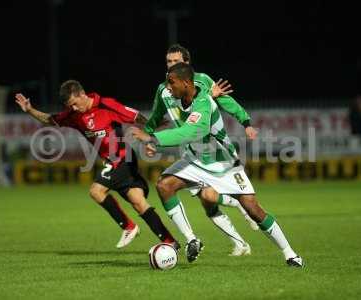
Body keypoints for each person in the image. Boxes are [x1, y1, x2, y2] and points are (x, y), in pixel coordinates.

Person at [131, 63, 303, 267]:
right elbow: (162, 114)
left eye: (172, 82)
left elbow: (189, 132)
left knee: (253, 209)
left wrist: (153, 138)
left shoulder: (204, 103)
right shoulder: (178, 98)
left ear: (186, 83)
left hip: (223, 164)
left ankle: (290, 254)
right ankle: (191, 239)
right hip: (194, 160)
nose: (168, 87)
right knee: (164, 185)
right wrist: (151, 136)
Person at [15, 80, 180, 250]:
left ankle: (128, 227)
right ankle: (170, 241)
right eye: (70, 106)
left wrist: (155, 129)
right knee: (138, 201)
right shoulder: (73, 115)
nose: (73, 108)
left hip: (123, 157)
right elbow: (50, 119)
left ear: (82, 94)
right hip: (113, 161)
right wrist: (29, 110)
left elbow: (134, 116)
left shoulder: (105, 104)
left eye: (74, 103)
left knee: (96, 191)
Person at [144, 44, 259, 256]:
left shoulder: (203, 81)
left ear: (187, 63)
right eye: (168, 62)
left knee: (208, 196)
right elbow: (156, 115)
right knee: (206, 198)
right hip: (191, 154)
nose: (171, 65)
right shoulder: (164, 90)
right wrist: (149, 137)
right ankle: (238, 241)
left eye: (176, 61)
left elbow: (226, 101)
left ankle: (241, 205)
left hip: (215, 151)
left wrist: (246, 122)